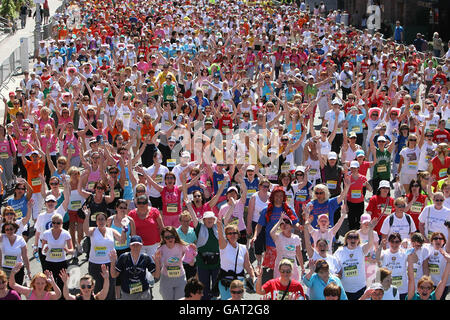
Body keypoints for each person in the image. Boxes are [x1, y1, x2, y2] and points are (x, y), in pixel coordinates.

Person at [83, 208, 127, 300]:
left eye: (103, 219)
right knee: (96, 288)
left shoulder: (111, 231)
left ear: (106, 221)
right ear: (96, 222)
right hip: (95, 264)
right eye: (98, 219)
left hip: (109, 264)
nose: (101, 221)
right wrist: (87, 216)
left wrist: (124, 230)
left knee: (110, 287)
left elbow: (122, 240)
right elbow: (86, 231)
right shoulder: (93, 230)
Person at [333, 216, 380, 300]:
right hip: (345, 289)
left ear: (358, 240)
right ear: (346, 240)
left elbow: (370, 243)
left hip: (360, 288)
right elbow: (334, 266)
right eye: (350, 237)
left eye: (355, 237)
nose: (353, 239)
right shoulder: (340, 251)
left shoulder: (361, 249)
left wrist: (371, 229)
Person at [216, 205, 255, 300]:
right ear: (227, 235)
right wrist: (219, 225)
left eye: (234, 233)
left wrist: (253, 276)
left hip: (239, 283)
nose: (232, 235)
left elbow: (247, 265)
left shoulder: (242, 248)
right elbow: (220, 236)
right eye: (229, 233)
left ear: (238, 235)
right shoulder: (224, 246)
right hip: (226, 283)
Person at [186, 200, 220, 300]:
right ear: (204, 220)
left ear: (214, 220)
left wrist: (232, 206)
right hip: (202, 261)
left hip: (216, 261)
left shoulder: (218, 228)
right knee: (203, 285)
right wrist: (189, 205)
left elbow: (226, 218)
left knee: (215, 285)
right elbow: (194, 217)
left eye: (211, 218)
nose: (209, 220)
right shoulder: (200, 227)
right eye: (207, 219)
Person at [110, 235, 160, 300]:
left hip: (143, 292)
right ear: (130, 246)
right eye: (133, 245)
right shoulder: (124, 257)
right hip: (127, 293)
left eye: (138, 245)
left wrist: (157, 262)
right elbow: (114, 275)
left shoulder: (145, 258)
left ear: (141, 246)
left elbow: (156, 275)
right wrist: (113, 262)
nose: (135, 247)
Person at [40, 213, 74, 298]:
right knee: (49, 284)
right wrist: (45, 249)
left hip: (61, 262)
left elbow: (72, 250)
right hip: (49, 262)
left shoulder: (66, 234)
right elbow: (42, 250)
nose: (55, 225)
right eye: (54, 222)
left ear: (62, 223)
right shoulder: (46, 233)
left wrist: (67, 250)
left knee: (62, 284)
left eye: (58, 223)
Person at [154, 226, 187, 300]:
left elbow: (191, 262)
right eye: (167, 237)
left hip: (180, 278)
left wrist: (193, 251)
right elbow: (158, 267)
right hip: (166, 279)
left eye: (172, 236)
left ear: (175, 236)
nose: (170, 239)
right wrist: (156, 260)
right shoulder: (160, 249)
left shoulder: (181, 246)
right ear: (163, 238)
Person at [376, 234, 408, 300]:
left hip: (402, 289)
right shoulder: (384, 253)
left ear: (400, 242)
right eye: (392, 241)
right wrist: (380, 246)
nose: (394, 244)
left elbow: (415, 259)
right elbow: (377, 258)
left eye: (397, 242)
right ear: (388, 242)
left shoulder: (404, 253)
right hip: (388, 289)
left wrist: (408, 244)